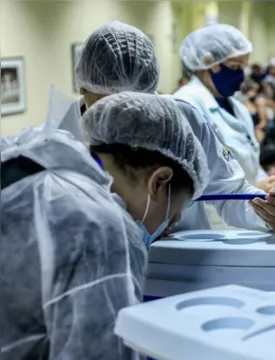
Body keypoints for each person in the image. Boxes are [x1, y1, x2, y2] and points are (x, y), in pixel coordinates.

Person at [0, 92, 209, 359]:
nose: (169, 227)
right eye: (174, 214)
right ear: (159, 181)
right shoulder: (101, 226)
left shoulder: (29, 162)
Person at [175, 24, 275, 231]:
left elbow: (250, 165)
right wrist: (251, 193)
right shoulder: (186, 107)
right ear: (209, 61)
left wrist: (268, 188)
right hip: (212, 227)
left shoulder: (237, 107)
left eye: (244, 67)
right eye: (235, 66)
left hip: (245, 217)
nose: (241, 75)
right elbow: (196, 184)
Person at [58, 21, 159, 141]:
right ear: (84, 89)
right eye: (111, 103)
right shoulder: (62, 144)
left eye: (132, 103)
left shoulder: (169, 134)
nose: (124, 115)